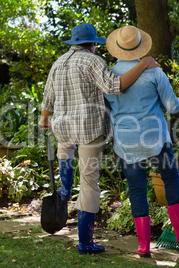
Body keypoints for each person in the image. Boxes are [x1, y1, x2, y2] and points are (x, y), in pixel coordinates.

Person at [38, 23, 159, 255]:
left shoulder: (59, 62)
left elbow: (48, 95)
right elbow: (115, 86)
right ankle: (85, 242)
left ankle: (63, 192)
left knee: (65, 156)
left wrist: (45, 117)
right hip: (89, 129)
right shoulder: (93, 61)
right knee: (89, 182)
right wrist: (143, 64)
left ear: (74, 43)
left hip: (62, 128)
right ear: (93, 44)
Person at [104, 25, 179, 258]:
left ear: (118, 48)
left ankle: (143, 246)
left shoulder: (109, 76)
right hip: (155, 138)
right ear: (140, 47)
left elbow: (108, 112)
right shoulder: (154, 72)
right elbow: (172, 106)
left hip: (125, 142)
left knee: (137, 189)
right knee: (169, 178)